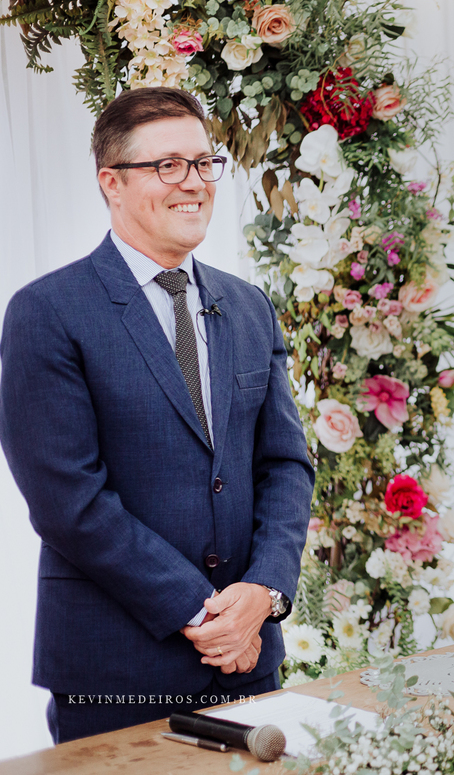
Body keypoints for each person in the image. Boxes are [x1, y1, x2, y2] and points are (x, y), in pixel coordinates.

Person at [0, 87, 314, 743]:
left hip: (250, 662)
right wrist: (203, 614)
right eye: (168, 165)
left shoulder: (249, 305)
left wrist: (263, 592)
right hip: (118, 672)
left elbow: (284, 464)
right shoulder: (47, 313)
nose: (193, 183)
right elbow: (69, 503)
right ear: (110, 183)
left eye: (204, 163)